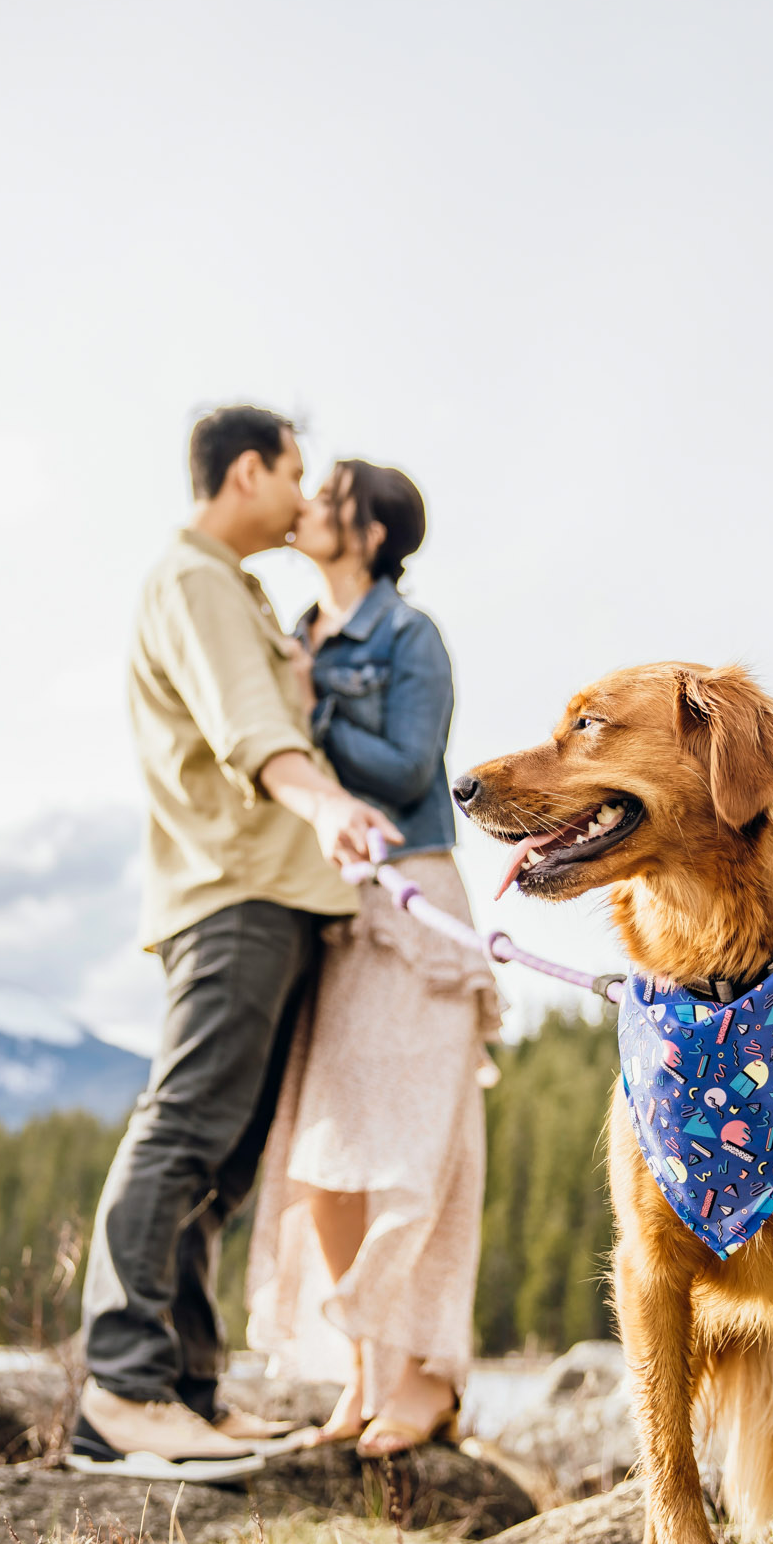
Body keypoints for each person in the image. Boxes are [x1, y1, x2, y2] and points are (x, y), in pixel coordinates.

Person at [74, 406, 398, 1479]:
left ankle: (185, 1392)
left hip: (274, 893)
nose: (307, 497)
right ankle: (121, 1391)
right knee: (184, 1127)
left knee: (226, 1150)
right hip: (235, 892)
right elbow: (244, 729)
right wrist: (320, 806)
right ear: (244, 470)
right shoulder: (195, 580)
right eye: (293, 473)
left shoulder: (240, 588)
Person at [245, 459, 500, 1456]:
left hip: (413, 898)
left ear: (367, 529)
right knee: (327, 1152)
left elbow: (405, 766)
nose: (304, 505)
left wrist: (316, 706)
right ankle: (359, 1372)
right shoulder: (297, 631)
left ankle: (426, 1377)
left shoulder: (406, 635)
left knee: (414, 1146)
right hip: (329, 905)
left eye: (326, 494)